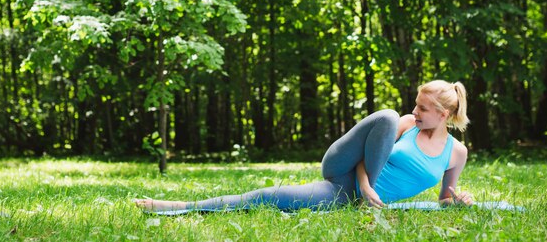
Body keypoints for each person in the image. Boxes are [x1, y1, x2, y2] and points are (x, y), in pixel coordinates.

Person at [134, 80, 473, 212]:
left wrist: (458, 198)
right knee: (384, 115)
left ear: (443, 114)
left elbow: (445, 198)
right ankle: (171, 205)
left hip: (344, 199)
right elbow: (366, 157)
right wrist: (367, 186)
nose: (414, 111)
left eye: (422, 109)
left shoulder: (456, 153)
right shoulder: (404, 125)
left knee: (268, 198)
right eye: (415, 104)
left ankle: (173, 205)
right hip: (343, 175)